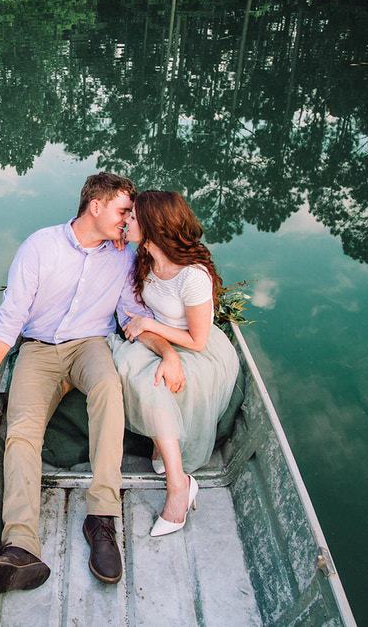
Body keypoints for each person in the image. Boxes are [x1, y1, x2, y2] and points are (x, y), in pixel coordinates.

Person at [0, 173, 184, 593]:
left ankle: (101, 518)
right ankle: (20, 546)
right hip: (39, 349)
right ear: (96, 207)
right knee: (22, 431)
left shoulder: (122, 256)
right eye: (123, 212)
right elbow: (10, 319)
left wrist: (169, 352)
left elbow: (132, 317)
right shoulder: (40, 247)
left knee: (108, 390)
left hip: (89, 345)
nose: (127, 221)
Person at [109, 190, 239, 537]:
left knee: (157, 381)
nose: (126, 221)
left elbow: (197, 339)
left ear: (152, 226)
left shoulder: (192, 276)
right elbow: (136, 313)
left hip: (198, 350)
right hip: (167, 342)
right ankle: (170, 461)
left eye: (133, 217)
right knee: (133, 368)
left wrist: (150, 325)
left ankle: (178, 487)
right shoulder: (145, 258)